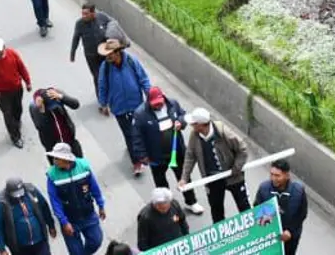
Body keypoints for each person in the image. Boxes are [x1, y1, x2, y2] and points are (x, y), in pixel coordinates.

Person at [130, 87, 204, 215]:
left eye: (159, 103)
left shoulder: (173, 104)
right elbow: (137, 137)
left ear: (163, 98)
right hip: (156, 156)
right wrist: (142, 155)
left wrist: (180, 122)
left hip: (176, 152)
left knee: (184, 177)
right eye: (154, 104)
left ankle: (191, 202)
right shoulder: (140, 114)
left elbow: (183, 115)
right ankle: (167, 208)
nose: (158, 106)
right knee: (161, 183)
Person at [180, 108, 251, 224]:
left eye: (193, 124)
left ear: (201, 125)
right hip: (212, 179)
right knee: (216, 212)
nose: (191, 126)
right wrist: (184, 178)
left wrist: (236, 168)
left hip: (233, 176)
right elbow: (190, 156)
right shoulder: (195, 135)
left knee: (244, 207)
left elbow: (242, 149)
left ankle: (252, 234)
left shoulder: (224, 133)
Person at [96, 39, 150, 176]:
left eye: (110, 54)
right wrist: (103, 104)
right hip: (119, 107)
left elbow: (143, 79)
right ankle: (137, 162)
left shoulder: (131, 61)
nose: (107, 56)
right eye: (106, 54)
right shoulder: (105, 67)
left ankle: (143, 151)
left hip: (137, 105)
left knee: (140, 131)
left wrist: (149, 96)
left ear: (118, 52)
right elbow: (102, 85)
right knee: (129, 134)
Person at [44, 142, 106, 255]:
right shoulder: (52, 175)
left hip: (88, 215)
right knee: (76, 252)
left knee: (96, 241)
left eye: (57, 158)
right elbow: (55, 201)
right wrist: (64, 222)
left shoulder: (83, 166)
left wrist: (101, 205)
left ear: (65, 159)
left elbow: (94, 187)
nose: (54, 160)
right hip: (70, 221)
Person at [0, 38, 32, 148]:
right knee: (8, 114)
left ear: (4, 48)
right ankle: (15, 136)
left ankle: (16, 122)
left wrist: (27, 82)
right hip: (2, 94)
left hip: (17, 89)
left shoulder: (13, 54)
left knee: (18, 109)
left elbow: (22, 68)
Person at [253, 159, 307, 254]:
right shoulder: (264, 188)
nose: (273, 178)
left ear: (287, 175)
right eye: (271, 174)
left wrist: (290, 231)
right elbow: (256, 209)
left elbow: (302, 213)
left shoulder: (298, 191)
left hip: (290, 236)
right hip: (270, 236)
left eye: (277, 175)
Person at [0, 177, 55, 255]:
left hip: (40, 241)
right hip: (20, 247)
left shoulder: (31, 191)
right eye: (15, 194)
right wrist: (1, 249)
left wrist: (51, 225)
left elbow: (44, 207)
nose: (18, 196)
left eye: (20, 193)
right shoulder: (0, 202)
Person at [69, 4, 120, 90]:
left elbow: (112, 23)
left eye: (86, 14)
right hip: (91, 55)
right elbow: (75, 38)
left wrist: (112, 37)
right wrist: (72, 54)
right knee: (97, 76)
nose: (83, 16)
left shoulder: (101, 16)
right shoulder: (79, 24)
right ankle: (101, 96)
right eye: (82, 14)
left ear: (93, 13)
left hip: (105, 53)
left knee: (109, 72)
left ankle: (112, 91)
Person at [29, 88, 83, 160]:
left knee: (80, 164)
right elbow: (40, 126)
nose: (55, 110)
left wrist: (61, 97)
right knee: (60, 169)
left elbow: (76, 104)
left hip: (70, 142)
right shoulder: (35, 107)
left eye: (56, 107)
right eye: (52, 108)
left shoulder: (57, 94)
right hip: (54, 150)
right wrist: (42, 111)